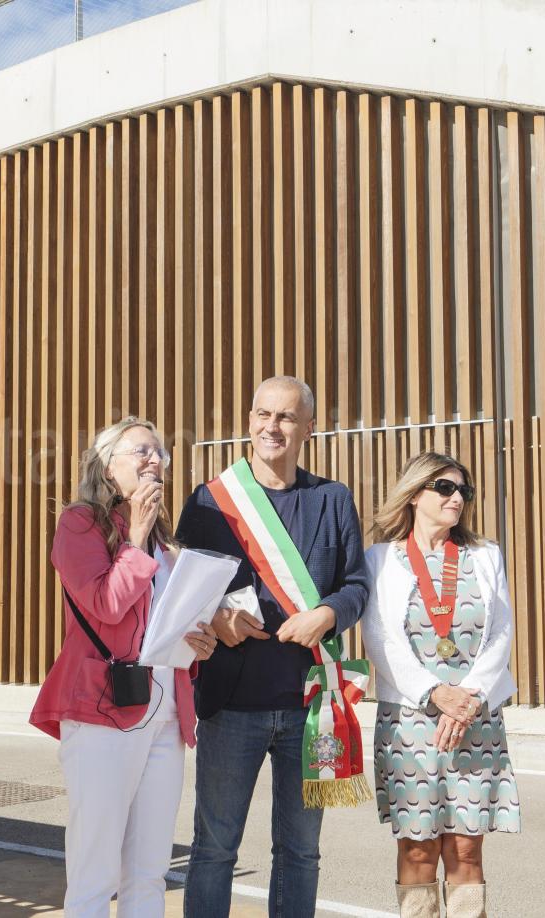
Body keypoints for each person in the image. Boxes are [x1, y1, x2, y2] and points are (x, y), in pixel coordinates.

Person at [176, 376, 369, 918]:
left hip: (312, 708)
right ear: (250, 420)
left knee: (301, 853)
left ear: (310, 426)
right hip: (231, 705)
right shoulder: (211, 500)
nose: (272, 426)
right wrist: (216, 616)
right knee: (214, 850)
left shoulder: (332, 498)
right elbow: (179, 588)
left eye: (286, 417)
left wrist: (327, 614)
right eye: (263, 414)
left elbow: (356, 585)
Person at [29, 416, 219, 918]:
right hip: (102, 711)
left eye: (160, 453)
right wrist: (134, 535)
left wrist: (198, 642)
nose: (155, 459)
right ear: (108, 467)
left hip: (164, 714)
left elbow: (164, 624)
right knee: (96, 870)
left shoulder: (166, 543)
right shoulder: (79, 524)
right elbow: (107, 604)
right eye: (141, 451)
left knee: (149, 870)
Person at [362, 452, 520, 918]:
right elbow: (379, 636)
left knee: (467, 850)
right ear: (415, 495)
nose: (458, 499)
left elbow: (502, 632)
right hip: (410, 721)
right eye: (446, 489)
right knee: (418, 850)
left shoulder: (485, 555)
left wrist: (467, 699)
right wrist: (435, 693)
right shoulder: (381, 559)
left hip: (475, 716)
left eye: (463, 491)